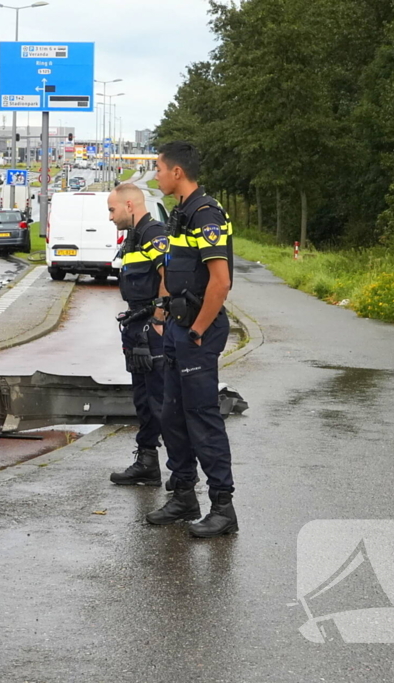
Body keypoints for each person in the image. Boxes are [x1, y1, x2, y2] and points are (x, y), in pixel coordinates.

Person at [145, 141, 238, 537]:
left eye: (159, 169)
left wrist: (197, 330)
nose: (156, 176)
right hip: (179, 329)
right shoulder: (180, 214)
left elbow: (221, 282)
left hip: (199, 330)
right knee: (172, 414)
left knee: (202, 418)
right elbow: (176, 273)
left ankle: (223, 507)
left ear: (177, 172)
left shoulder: (205, 215)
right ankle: (184, 495)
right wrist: (164, 315)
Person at [107, 183, 170, 486]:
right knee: (144, 400)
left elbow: (168, 274)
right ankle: (147, 462)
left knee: (160, 400)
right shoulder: (134, 236)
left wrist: (158, 318)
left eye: (112, 209)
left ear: (129, 205)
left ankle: (182, 473)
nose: (110, 217)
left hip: (150, 328)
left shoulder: (153, 234)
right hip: (136, 326)